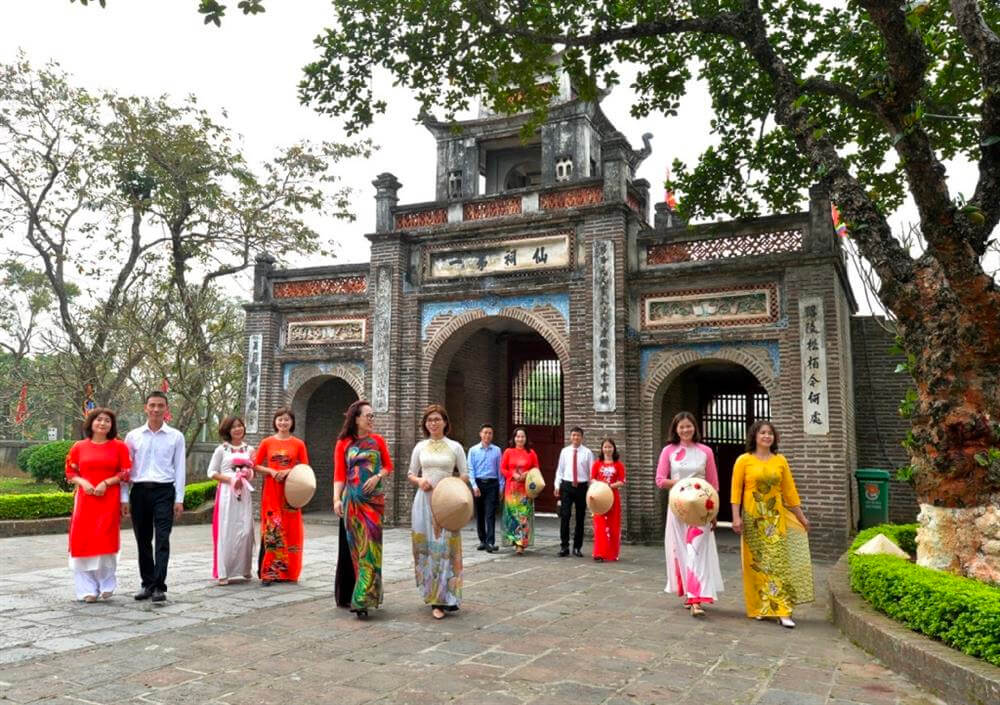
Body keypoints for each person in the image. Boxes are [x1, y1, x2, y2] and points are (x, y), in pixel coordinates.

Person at [731, 420, 814, 628]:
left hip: (776, 520)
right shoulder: (744, 460)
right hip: (752, 519)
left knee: (778, 563)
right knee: (756, 564)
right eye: (762, 433)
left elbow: (790, 492)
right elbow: (735, 492)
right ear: (755, 437)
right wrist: (736, 517)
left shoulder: (780, 461)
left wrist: (801, 517)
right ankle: (760, 607)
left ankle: (783, 610)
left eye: (770, 433)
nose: (767, 436)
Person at [655, 412, 724, 617]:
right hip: (678, 506)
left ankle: (696, 599)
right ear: (675, 430)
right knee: (681, 550)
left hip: (702, 507)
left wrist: (713, 512)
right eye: (681, 427)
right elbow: (660, 480)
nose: (686, 430)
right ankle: (688, 592)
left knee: (697, 550)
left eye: (689, 426)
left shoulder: (706, 452)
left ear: (695, 427)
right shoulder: (669, 451)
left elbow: (713, 483)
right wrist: (684, 484)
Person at [407, 404, 469, 619]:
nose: (433, 423)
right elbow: (411, 473)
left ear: (445, 422)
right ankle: (431, 594)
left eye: (437, 419)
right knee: (426, 547)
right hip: (423, 501)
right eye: (429, 420)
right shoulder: (420, 447)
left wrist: (450, 487)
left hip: (446, 503)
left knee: (445, 547)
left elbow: (465, 474)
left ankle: (444, 597)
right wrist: (419, 480)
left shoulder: (455, 447)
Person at [123, 391, 186, 602]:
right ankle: (147, 583)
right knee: (142, 540)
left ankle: (159, 585)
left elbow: (179, 469)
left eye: (160, 405)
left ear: (166, 409)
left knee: (162, 539)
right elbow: (125, 469)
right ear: (145, 408)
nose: (156, 409)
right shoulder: (133, 436)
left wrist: (179, 498)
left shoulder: (176, 436)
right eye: (152, 405)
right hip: (139, 491)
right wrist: (125, 497)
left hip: (164, 491)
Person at [333, 399, 393, 618]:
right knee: (357, 549)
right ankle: (360, 598)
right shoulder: (343, 443)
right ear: (356, 418)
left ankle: (365, 598)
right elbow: (339, 475)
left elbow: (388, 466)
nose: (371, 420)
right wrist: (336, 499)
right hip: (352, 501)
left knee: (373, 548)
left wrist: (377, 476)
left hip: (374, 502)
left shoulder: (378, 441)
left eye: (372, 416)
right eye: (368, 416)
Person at [65, 408, 131, 602]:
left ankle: (106, 584)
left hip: (109, 499)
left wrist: (106, 483)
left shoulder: (119, 447)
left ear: (112, 425)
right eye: (99, 420)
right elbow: (70, 472)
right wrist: (84, 483)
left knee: (105, 540)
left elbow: (126, 472)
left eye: (107, 421)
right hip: (85, 501)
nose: (103, 423)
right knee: (83, 540)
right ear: (91, 423)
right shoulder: (79, 447)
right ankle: (86, 589)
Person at [253, 407, 309, 585]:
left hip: (291, 492)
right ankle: (269, 573)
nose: (283, 423)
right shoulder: (267, 442)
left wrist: (288, 471)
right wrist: (271, 471)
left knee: (291, 530)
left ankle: (289, 572)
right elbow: (254, 465)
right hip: (271, 491)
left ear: (292, 422)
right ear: (275, 422)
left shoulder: (298, 444)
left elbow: (305, 468)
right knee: (272, 529)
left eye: (286, 420)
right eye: (280, 419)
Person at [207, 416, 255, 585]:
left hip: (244, 492)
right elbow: (211, 472)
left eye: (240, 426)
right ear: (227, 430)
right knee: (226, 529)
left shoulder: (249, 449)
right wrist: (229, 479)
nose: (237, 429)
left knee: (246, 530)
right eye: (233, 427)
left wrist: (247, 474)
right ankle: (223, 571)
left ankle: (245, 568)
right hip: (227, 493)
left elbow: (253, 471)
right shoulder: (222, 449)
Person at [553, 426, 594, 557]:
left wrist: (592, 489)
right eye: (573, 435)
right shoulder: (564, 451)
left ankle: (577, 547)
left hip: (582, 486)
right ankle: (564, 546)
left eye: (578, 435)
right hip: (567, 485)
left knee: (580, 517)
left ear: (582, 437)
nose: (575, 438)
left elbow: (591, 473)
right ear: (570, 437)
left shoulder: (587, 453)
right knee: (565, 516)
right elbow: (560, 470)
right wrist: (557, 485)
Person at [500, 426, 540, 556]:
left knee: (523, 516)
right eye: (518, 436)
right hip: (511, 488)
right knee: (512, 516)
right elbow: (503, 468)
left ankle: (521, 544)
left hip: (525, 489)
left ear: (526, 438)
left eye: (522, 436)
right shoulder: (508, 452)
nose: (520, 439)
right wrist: (513, 475)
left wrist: (527, 473)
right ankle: (514, 540)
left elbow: (536, 469)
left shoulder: (531, 453)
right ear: (514, 438)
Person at [467, 423, 502, 553]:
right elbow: (470, 469)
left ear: (492, 435)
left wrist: (501, 487)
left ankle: (490, 542)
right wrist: (474, 486)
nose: (487, 435)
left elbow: (500, 470)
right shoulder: (473, 450)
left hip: (492, 484)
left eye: (490, 433)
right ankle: (482, 540)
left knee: (490, 513)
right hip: (479, 484)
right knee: (480, 513)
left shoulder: (497, 450)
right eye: (485, 432)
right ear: (480, 434)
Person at [591, 437, 626, 562]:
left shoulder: (619, 465)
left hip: (613, 497)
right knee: (600, 525)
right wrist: (600, 486)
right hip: (599, 497)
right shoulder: (597, 464)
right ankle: (599, 553)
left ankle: (611, 553)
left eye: (610, 447)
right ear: (602, 449)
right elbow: (593, 478)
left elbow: (622, 481)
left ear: (614, 448)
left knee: (613, 525)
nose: (607, 449)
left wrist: (609, 486)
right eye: (605, 447)